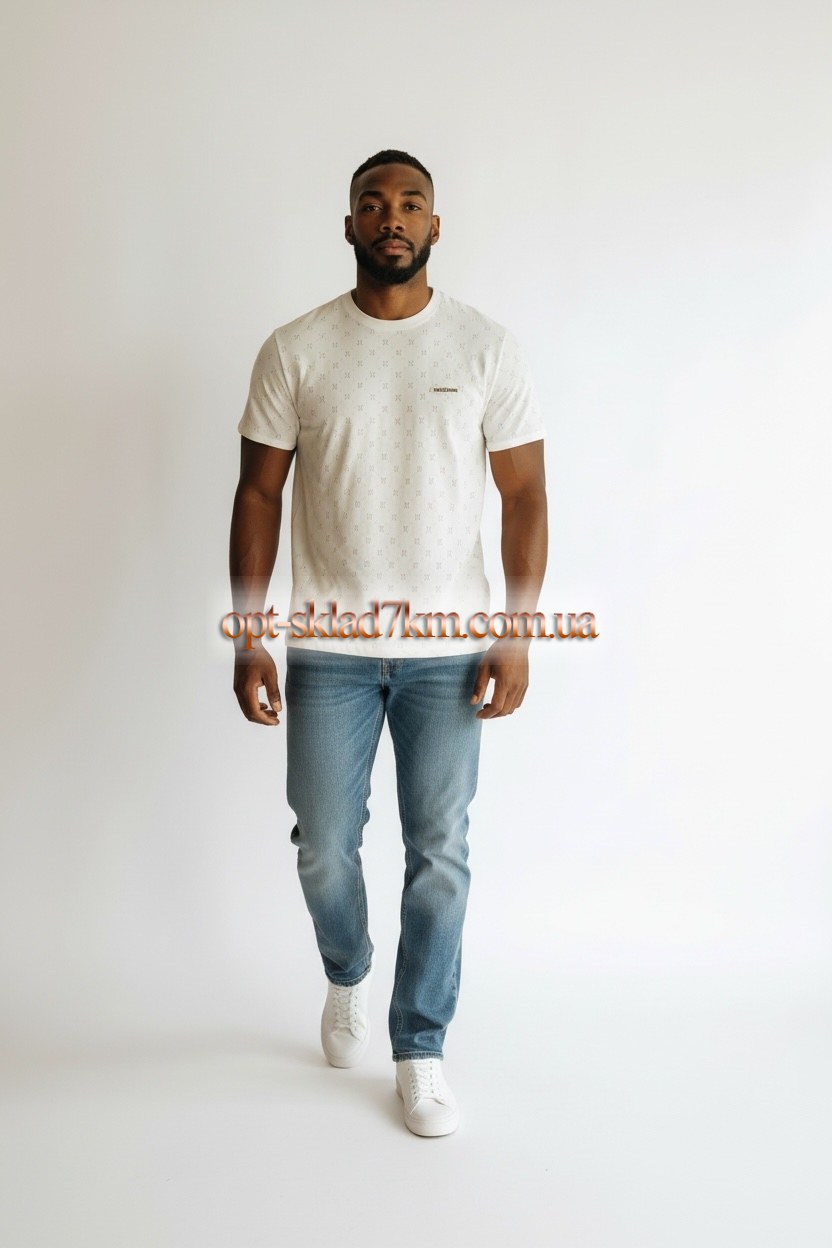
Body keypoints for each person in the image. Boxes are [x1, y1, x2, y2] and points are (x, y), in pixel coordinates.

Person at [229, 149, 548, 1137]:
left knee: (439, 852)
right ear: (350, 226)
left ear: (435, 226)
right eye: (373, 203)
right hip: (329, 649)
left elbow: (526, 497)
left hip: (448, 649)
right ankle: (348, 971)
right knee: (324, 848)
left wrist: (517, 632)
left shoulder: (485, 347)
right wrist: (250, 635)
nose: (392, 217)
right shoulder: (296, 348)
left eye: (411, 203)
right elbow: (258, 494)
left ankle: (419, 1047)